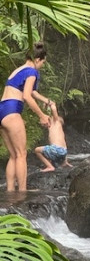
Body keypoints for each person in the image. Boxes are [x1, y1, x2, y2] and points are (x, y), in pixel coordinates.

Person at [0, 42, 52, 191]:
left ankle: (10, 192)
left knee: (13, 155)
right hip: (12, 110)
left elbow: (33, 92)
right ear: (38, 60)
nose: (42, 65)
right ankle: (22, 193)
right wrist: (42, 116)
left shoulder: (19, 70)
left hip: (2, 110)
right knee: (22, 154)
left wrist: (46, 101)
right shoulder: (32, 72)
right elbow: (27, 96)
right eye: (43, 62)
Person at [35, 101, 71, 172]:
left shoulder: (56, 122)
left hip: (56, 150)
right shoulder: (57, 129)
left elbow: (53, 111)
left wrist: (50, 103)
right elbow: (47, 114)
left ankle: (50, 167)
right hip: (63, 152)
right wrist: (65, 161)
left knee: (37, 150)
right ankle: (63, 163)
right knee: (49, 151)